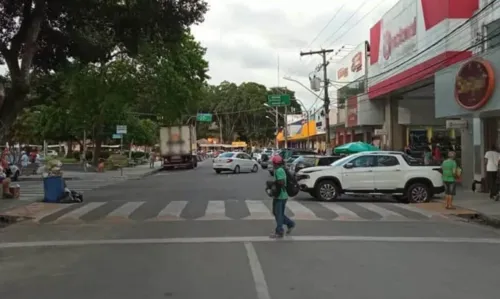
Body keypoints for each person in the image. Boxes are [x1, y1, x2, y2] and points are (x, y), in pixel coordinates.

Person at [270, 155, 295, 239]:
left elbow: (281, 182)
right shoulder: (281, 169)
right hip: (281, 195)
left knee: (278, 214)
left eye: (273, 163)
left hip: (280, 195)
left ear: (275, 163)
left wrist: (272, 184)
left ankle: (279, 231)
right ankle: (290, 224)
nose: (272, 164)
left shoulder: (279, 170)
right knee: (277, 213)